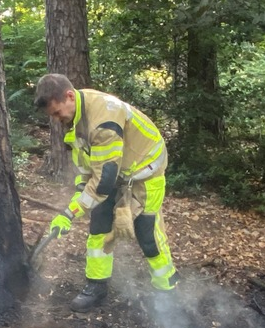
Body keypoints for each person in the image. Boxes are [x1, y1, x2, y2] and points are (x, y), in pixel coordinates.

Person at [33, 74, 178, 312]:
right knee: (99, 226)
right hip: (115, 173)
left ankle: (167, 290)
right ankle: (96, 287)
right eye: (52, 116)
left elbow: (102, 183)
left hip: (145, 171)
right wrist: (78, 197)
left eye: (58, 113)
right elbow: (88, 170)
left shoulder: (103, 122)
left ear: (69, 96)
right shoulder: (75, 119)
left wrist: (69, 213)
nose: (57, 120)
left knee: (147, 234)